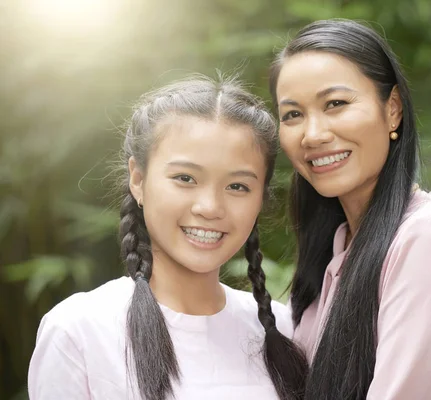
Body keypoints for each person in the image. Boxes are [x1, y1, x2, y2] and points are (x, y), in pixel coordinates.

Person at [28, 76, 307, 400]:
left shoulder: (284, 329)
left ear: (261, 198)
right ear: (138, 179)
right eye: (185, 178)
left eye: (237, 186)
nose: (210, 208)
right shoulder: (79, 331)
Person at [269, 19, 431, 400]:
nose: (313, 134)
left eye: (335, 104)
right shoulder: (336, 250)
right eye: (292, 114)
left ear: (393, 110)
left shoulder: (428, 241)